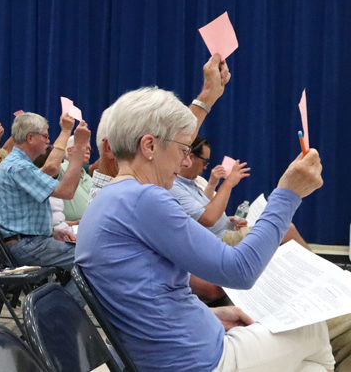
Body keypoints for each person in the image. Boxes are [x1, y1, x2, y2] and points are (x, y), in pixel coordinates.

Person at [77, 57, 333, 371]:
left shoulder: (109, 198)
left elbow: (142, 301)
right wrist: (288, 193)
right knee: (314, 330)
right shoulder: (143, 199)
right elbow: (240, 271)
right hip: (195, 361)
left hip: (171, 352)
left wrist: (211, 316)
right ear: (149, 146)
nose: (184, 160)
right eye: (183, 149)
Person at [0, 110, 90, 301]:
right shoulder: (19, 167)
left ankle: (57, 312)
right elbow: (67, 191)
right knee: (95, 262)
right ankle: (56, 315)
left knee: (92, 260)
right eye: (45, 135)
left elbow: (22, 214)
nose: (48, 141)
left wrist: (52, 231)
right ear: (30, 138)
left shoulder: (18, 164)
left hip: (29, 241)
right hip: (27, 246)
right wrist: (78, 148)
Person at [170, 136, 310, 249]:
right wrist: (229, 182)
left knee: (282, 227)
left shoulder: (195, 182)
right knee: (284, 228)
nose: (206, 166)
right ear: (190, 157)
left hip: (226, 233)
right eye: (205, 161)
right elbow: (208, 218)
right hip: (219, 241)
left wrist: (228, 222)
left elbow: (204, 213)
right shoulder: (174, 186)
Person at [57, 135, 93, 221]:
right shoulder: (60, 169)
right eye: (84, 148)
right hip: (66, 230)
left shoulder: (89, 177)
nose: (88, 152)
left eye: (89, 149)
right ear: (70, 150)